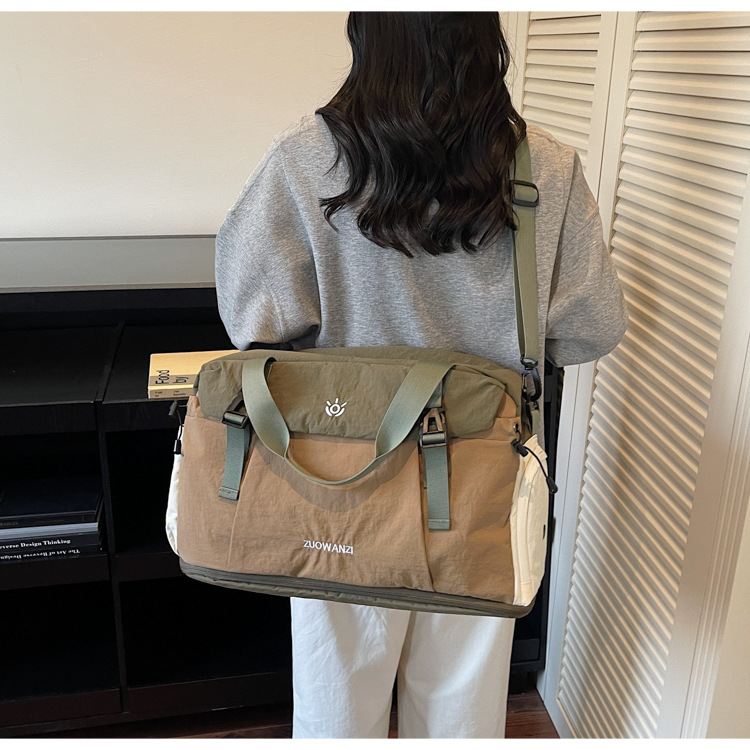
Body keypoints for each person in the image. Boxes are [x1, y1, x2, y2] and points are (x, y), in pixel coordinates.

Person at [214, 11, 627, 739]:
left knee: (338, 692)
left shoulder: (303, 160)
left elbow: (255, 321)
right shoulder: (547, 167)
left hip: (336, 474)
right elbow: (592, 328)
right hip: (480, 477)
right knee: (463, 700)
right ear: (484, 41)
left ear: (369, 38)